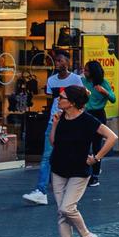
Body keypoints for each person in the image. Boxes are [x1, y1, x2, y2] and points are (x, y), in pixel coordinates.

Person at [46, 84, 118, 237]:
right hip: (58, 168)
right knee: (61, 212)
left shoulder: (88, 120)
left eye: (62, 97)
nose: (58, 100)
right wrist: (54, 125)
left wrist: (96, 158)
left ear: (71, 102)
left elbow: (112, 137)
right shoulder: (60, 117)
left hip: (79, 170)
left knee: (67, 208)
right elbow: (54, 142)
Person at [24, 50, 86, 205]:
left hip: (71, 121)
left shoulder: (76, 79)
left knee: (68, 153)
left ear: (67, 62)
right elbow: (54, 100)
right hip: (55, 120)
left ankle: (69, 187)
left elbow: (82, 100)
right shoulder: (52, 80)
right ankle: (41, 190)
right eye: (56, 61)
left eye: (60, 61)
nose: (57, 64)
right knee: (46, 156)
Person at [81, 60, 115, 187]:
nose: (84, 72)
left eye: (87, 70)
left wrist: (104, 92)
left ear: (93, 72)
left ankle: (95, 175)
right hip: (85, 113)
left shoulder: (103, 83)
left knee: (96, 146)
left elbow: (113, 98)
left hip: (98, 115)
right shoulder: (83, 81)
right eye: (84, 70)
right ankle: (84, 171)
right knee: (83, 143)